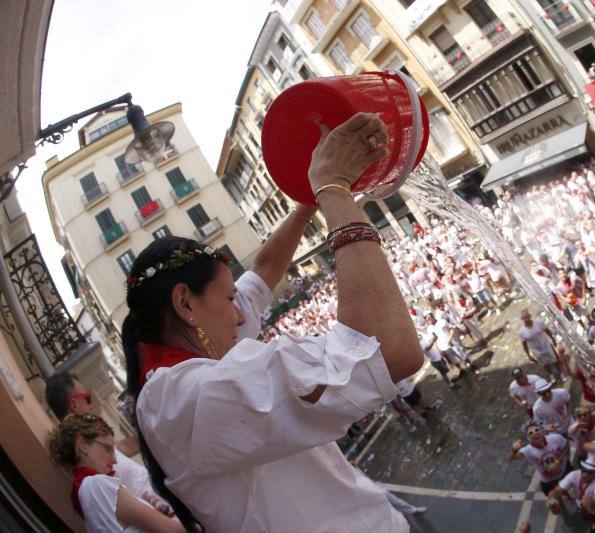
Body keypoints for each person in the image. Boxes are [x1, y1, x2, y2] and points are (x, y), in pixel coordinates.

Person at [125, 113, 424, 532]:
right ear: (185, 305)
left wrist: (305, 203)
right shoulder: (179, 400)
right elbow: (386, 348)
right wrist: (333, 187)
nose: (242, 313)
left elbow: (263, 270)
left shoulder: (204, 352)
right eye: (229, 299)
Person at [44, 373, 169, 514]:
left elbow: (124, 448)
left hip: (161, 502)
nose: (90, 405)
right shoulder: (86, 455)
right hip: (157, 511)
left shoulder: (91, 439)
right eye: (87, 398)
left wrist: (155, 427)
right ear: (74, 404)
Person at [45, 414, 183, 533]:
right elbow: (172, 530)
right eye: (108, 449)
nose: (115, 459)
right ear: (82, 445)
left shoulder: (86, 490)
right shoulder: (96, 484)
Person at [509, 420, 571, 496]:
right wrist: (514, 450)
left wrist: (557, 461)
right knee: (552, 497)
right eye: (530, 433)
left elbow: (566, 446)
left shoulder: (555, 438)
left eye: (536, 430)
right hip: (548, 481)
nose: (534, 433)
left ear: (542, 431)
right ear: (529, 439)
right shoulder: (528, 450)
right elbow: (511, 458)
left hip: (565, 471)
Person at [519, 310, 560, 381]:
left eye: (527, 317)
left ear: (530, 316)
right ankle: (551, 374)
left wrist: (553, 339)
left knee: (554, 360)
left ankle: (560, 372)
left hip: (546, 345)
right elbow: (524, 344)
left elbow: (547, 331)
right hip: (536, 351)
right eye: (525, 318)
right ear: (522, 319)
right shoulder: (522, 332)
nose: (527, 319)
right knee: (544, 364)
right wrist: (528, 355)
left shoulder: (539, 323)